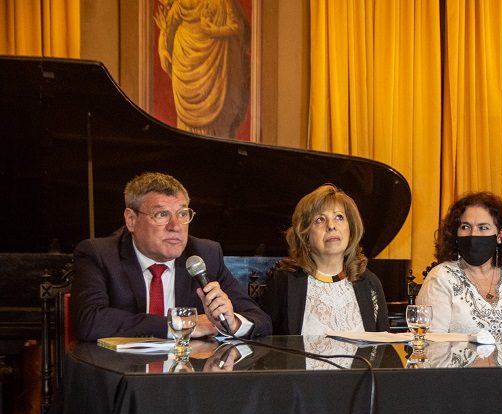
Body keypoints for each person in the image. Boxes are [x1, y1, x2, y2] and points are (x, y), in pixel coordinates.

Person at [71, 172, 272, 341]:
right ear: (131, 220)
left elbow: (260, 320)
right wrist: (181, 324)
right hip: (124, 377)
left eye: (183, 214)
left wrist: (231, 322)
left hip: (186, 379)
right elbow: (89, 321)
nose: (175, 226)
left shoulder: (204, 254)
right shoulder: (99, 255)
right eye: (162, 215)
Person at [260, 184, 389, 334]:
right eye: (320, 219)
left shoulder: (370, 283)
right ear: (305, 235)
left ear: (351, 230)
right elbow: (267, 345)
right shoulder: (284, 281)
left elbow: (384, 349)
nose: (331, 226)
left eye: (339, 217)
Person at [416, 192, 502, 334]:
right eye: (465, 227)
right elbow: (433, 343)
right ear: (455, 233)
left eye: (483, 227)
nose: (473, 234)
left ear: (500, 234)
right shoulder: (441, 278)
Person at [155, 0, 250, 138]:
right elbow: (167, 28)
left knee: (218, 129)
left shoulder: (221, 3)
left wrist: (214, 31)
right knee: (187, 137)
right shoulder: (183, 3)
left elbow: (237, 27)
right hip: (185, 62)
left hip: (216, 66)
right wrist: (163, 48)